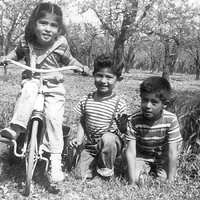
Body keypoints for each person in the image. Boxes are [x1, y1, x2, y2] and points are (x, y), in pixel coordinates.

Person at [0, 2, 90, 182]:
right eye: (43, 23)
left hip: (54, 86)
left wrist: (80, 67)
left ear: (59, 29)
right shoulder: (26, 42)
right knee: (29, 88)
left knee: (54, 117)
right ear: (34, 24)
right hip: (32, 80)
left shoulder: (61, 45)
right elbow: (16, 54)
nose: (48, 29)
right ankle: (16, 129)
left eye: (53, 25)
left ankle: (55, 160)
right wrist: (6, 58)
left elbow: (69, 59)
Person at [69, 53, 127, 184]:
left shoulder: (119, 103)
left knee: (109, 138)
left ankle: (104, 174)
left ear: (119, 79)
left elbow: (124, 130)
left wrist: (123, 125)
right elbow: (83, 121)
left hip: (110, 144)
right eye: (99, 75)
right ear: (94, 75)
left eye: (109, 77)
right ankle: (95, 164)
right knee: (80, 175)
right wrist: (79, 138)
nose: (103, 81)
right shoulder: (87, 99)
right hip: (91, 145)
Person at [126, 76, 182, 186]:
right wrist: (132, 182)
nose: (147, 106)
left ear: (164, 104)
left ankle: (160, 172)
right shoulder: (134, 119)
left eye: (154, 102)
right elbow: (131, 151)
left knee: (164, 179)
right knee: (138, 179)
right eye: (145, 100)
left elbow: (172, 152)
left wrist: (170, 181)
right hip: (142, 155)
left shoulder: (171, 120)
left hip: (162, 157)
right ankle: (144, 169)